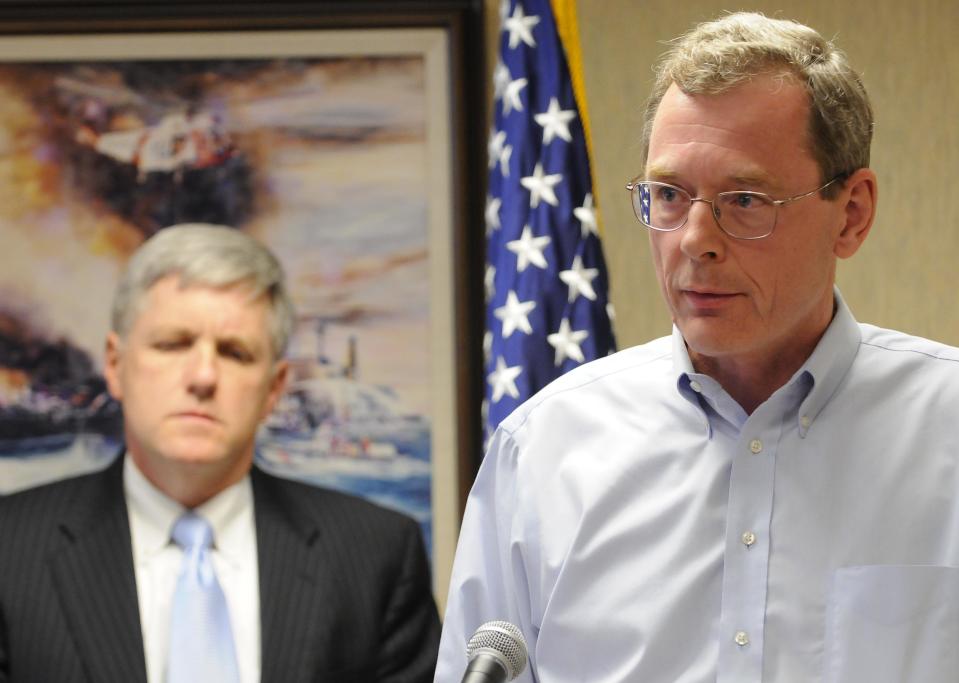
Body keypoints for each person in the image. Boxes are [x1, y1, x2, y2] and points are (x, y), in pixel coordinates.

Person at [436, 12, 959, 683]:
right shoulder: (542, 450)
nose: (693, 240)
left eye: (743, 199)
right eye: (667, 195)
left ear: (850, 212)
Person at [0, 224, 440, 683]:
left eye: (235, 353)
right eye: (173, 344)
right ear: (115, 365)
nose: (204, 376)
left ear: (274, 388)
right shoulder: (9, 552)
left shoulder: (376, 556)